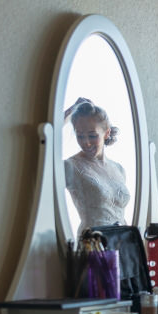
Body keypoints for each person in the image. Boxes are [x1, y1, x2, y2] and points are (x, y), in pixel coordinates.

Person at [63, 98, 131, 235]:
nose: (86, 143)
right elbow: (44, 151)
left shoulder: (119, 169)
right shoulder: (70, 166)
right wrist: (68, 113)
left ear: (106, 133)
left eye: (92, 136)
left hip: (121, 247)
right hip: (92, 249)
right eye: (80, 136)